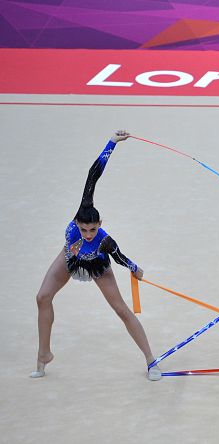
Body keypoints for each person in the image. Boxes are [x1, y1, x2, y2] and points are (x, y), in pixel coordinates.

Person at [32, 130, 161, 381]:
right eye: (83, 229)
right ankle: (44, 353)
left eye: (93, 229)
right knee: (42, 297)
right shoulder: (83, 210)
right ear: (77, 222)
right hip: (70, 259)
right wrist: (112, 142)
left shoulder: (104, 241)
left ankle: (151, 360)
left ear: (100, 223)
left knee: (121, 310)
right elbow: (94, 174)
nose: (89, 234)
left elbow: (120, 257)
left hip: (97, 266)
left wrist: (135, 268)